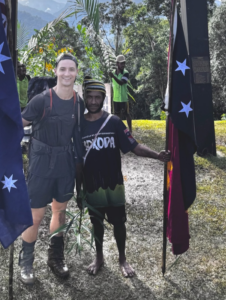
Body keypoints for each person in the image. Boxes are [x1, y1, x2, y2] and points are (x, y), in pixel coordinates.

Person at [77, 78, 171, 277]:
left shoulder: (114, 122)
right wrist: (79, 190)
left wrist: (157, 155)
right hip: (92, 185)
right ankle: (99, 256)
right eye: (90, 97)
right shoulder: (79, 126)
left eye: (97, 97)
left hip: (114, 184)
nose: (93, 101)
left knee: (119, 223)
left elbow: (135, 147)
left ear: (104, 98)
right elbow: (77, 161)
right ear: (84, 98)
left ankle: (122, 259)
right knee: (97, 224)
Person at [19, 53, 84, 285]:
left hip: (65, 163)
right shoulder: (41, 100)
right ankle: (26, 261)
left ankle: (55, 257)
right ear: (56, 72)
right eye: (63, 69)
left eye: (71, 69)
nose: (67, 74)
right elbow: (19, 123)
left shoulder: (79, 102)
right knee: (36, 216)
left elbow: (79, 137)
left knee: (60, 212)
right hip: (41, 163)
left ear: (76, 73)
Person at [109, 54, 132, 133]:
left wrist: (113, 76)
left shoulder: (126, 73)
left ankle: (130, 130)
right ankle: (118, 129)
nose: (123, 65)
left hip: (124, 98)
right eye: (121, 63)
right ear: (117, 64)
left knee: (126, 114)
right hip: (116, 98)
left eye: (124, 63)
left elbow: (121, 83)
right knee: (117, 115)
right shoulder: (113, 73)